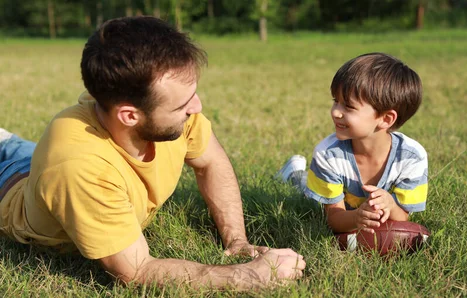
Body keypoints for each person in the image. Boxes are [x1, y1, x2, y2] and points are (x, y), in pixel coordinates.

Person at [0, 16, 304, 290]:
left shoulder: (172, 111)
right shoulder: (78, 166)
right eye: (181, 105)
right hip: (9, 181)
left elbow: (210, 162)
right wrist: (249, 276)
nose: (196, 107)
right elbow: (136, 270)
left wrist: (238, 242)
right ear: (130, 116)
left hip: (31, 160)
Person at [276, 53, 428, 234]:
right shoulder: (328, 154)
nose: (335, 112)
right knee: (305, 191)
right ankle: (294, 173)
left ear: (386, 119)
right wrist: (356, 218)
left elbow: (402, 216)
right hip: (336, 201)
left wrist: (391, 205)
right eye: (336, 101)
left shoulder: (411, 158)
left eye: (348, 106)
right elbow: (333, 218)